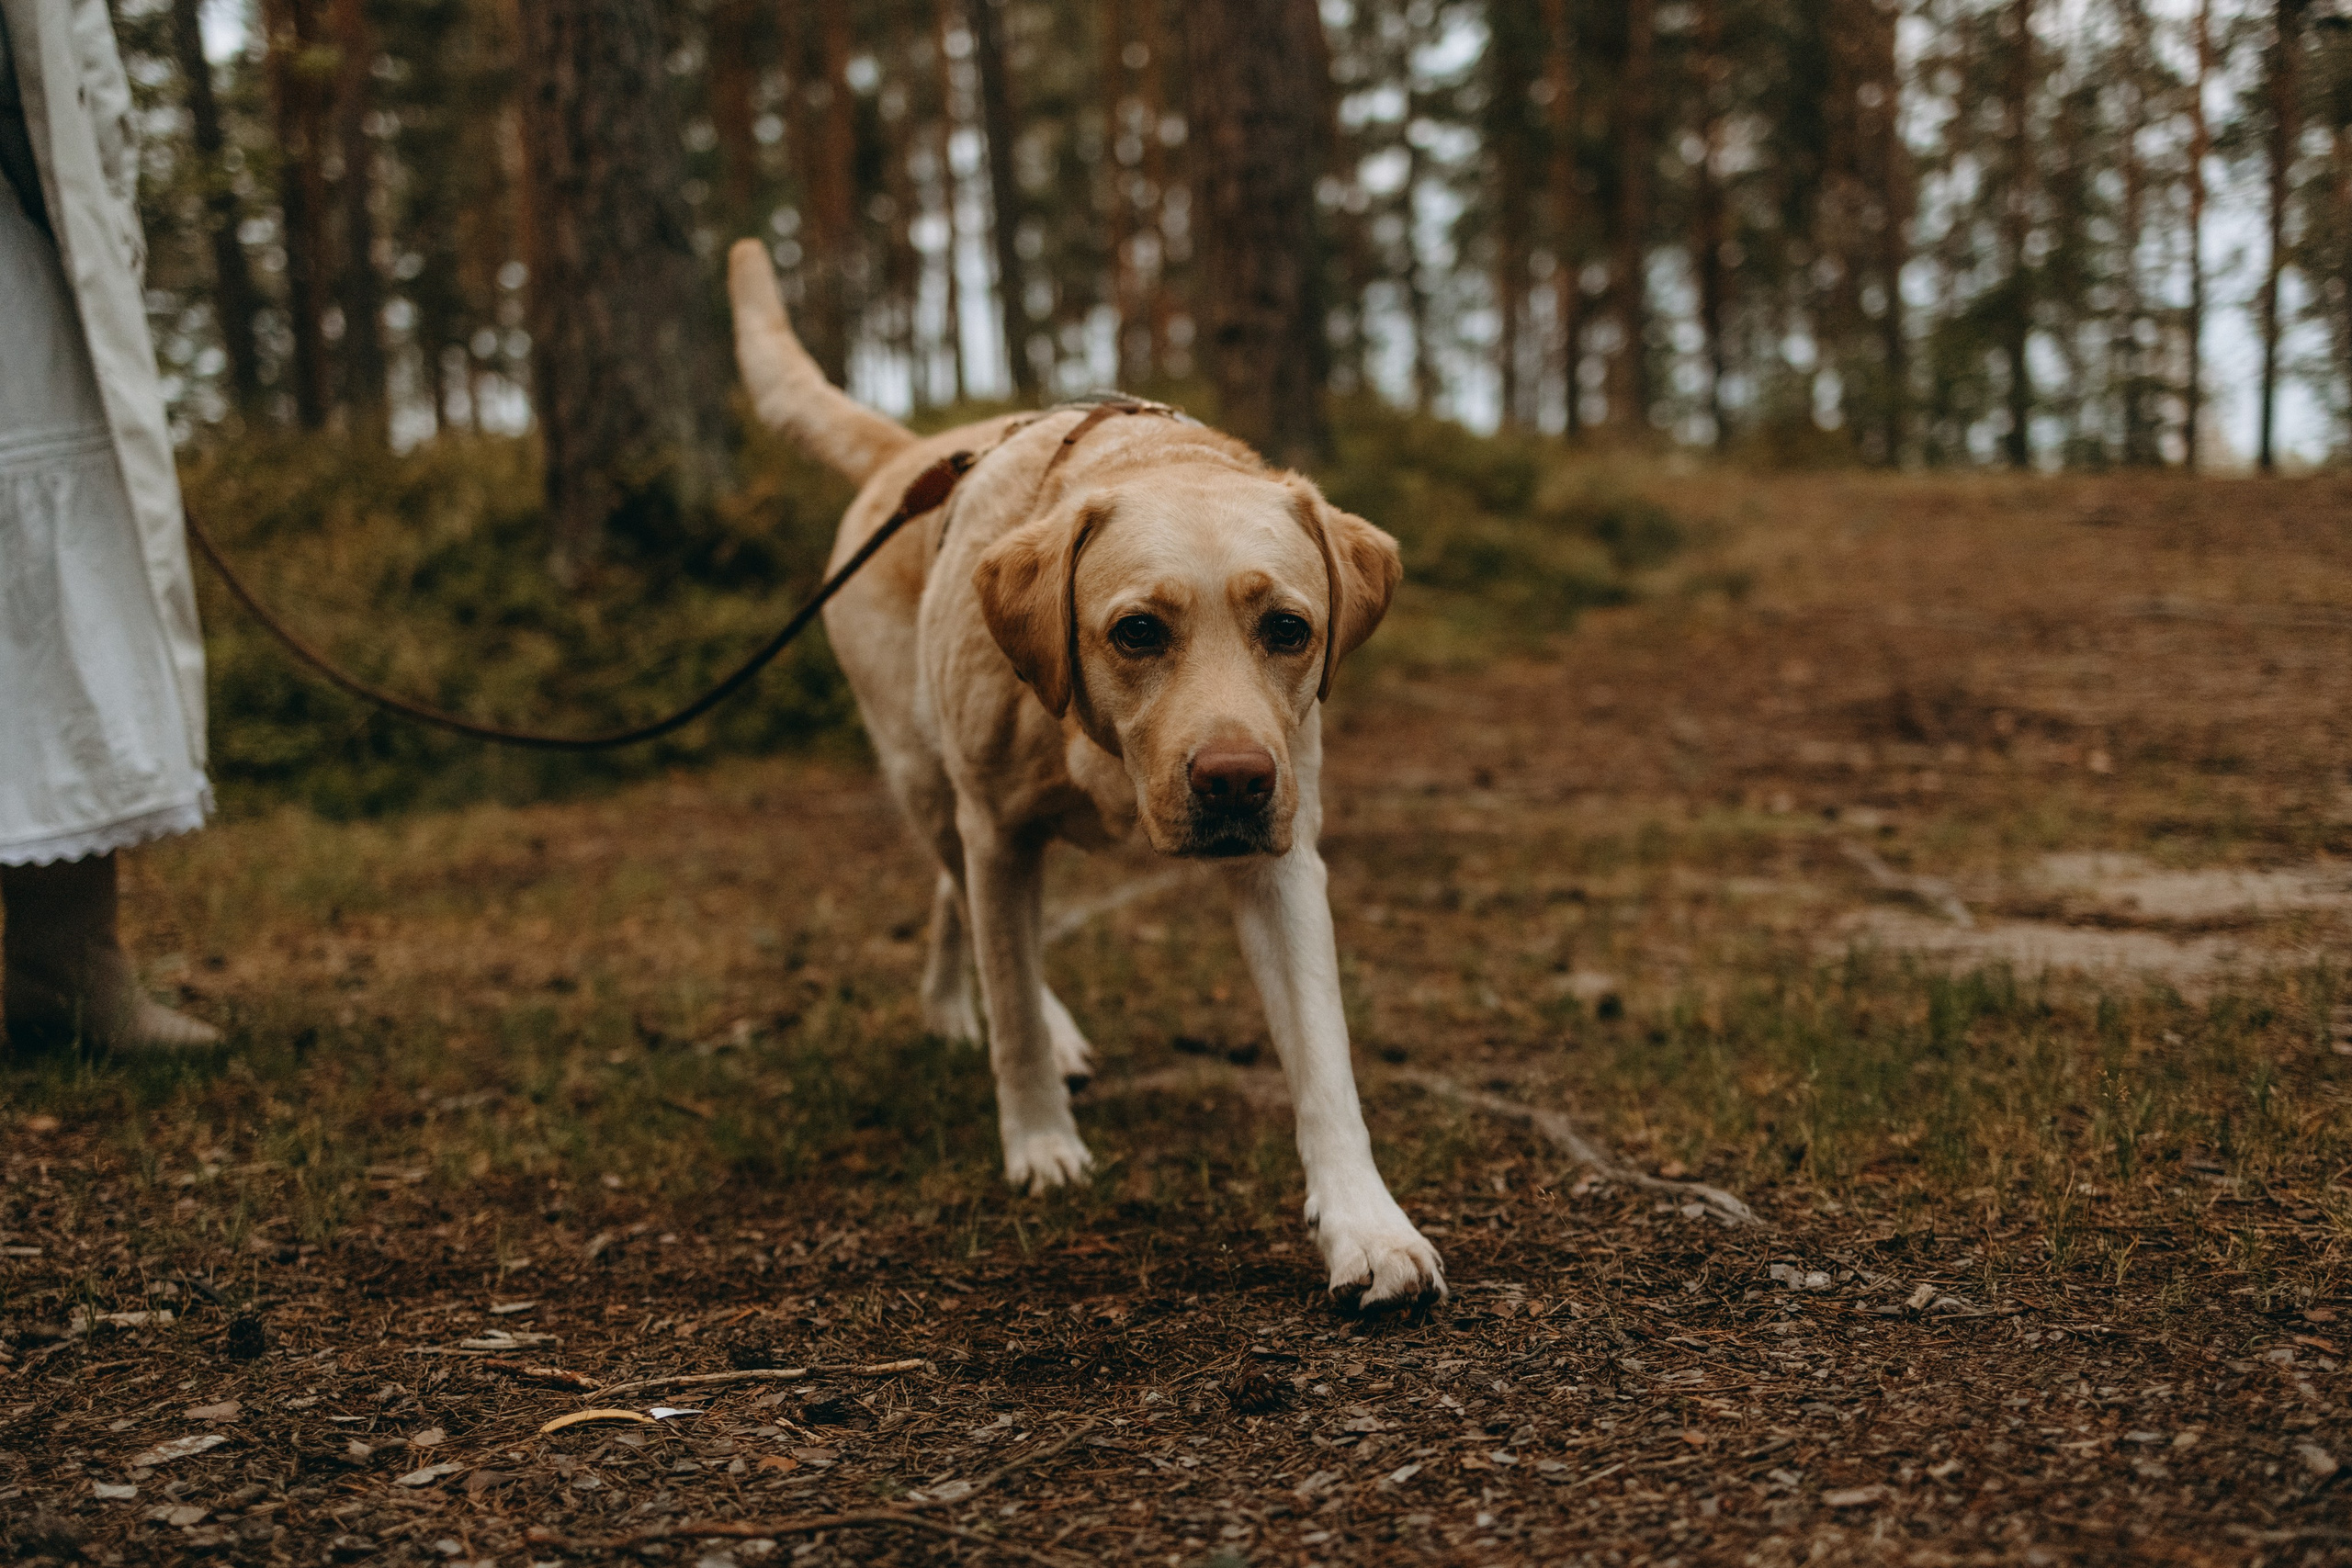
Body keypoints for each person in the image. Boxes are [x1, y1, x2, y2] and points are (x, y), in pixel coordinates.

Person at [1, 0, 220, 1049]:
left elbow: (77, 67)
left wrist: (103, 231)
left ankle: (64, 970)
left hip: (26, 262)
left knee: (53, 600)